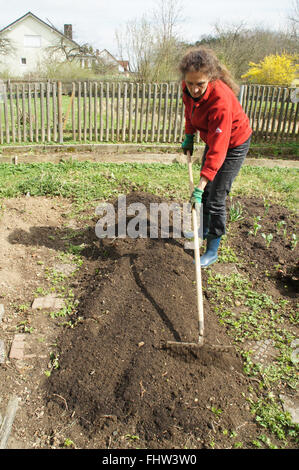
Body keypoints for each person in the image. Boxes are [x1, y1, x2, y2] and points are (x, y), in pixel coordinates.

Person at [180, 47, 252, 268]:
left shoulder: (220, 100)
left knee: (215, 196)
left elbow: (219, 149)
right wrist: (189, 135)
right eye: (190, 83)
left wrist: (201, 183)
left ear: (210, 79)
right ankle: (201, 230)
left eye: (200, 84)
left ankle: (212, 250)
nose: (194, 89)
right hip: (215, 141)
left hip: (233, 144)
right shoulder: (188, 87)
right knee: (207, 193)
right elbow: (190, 111)